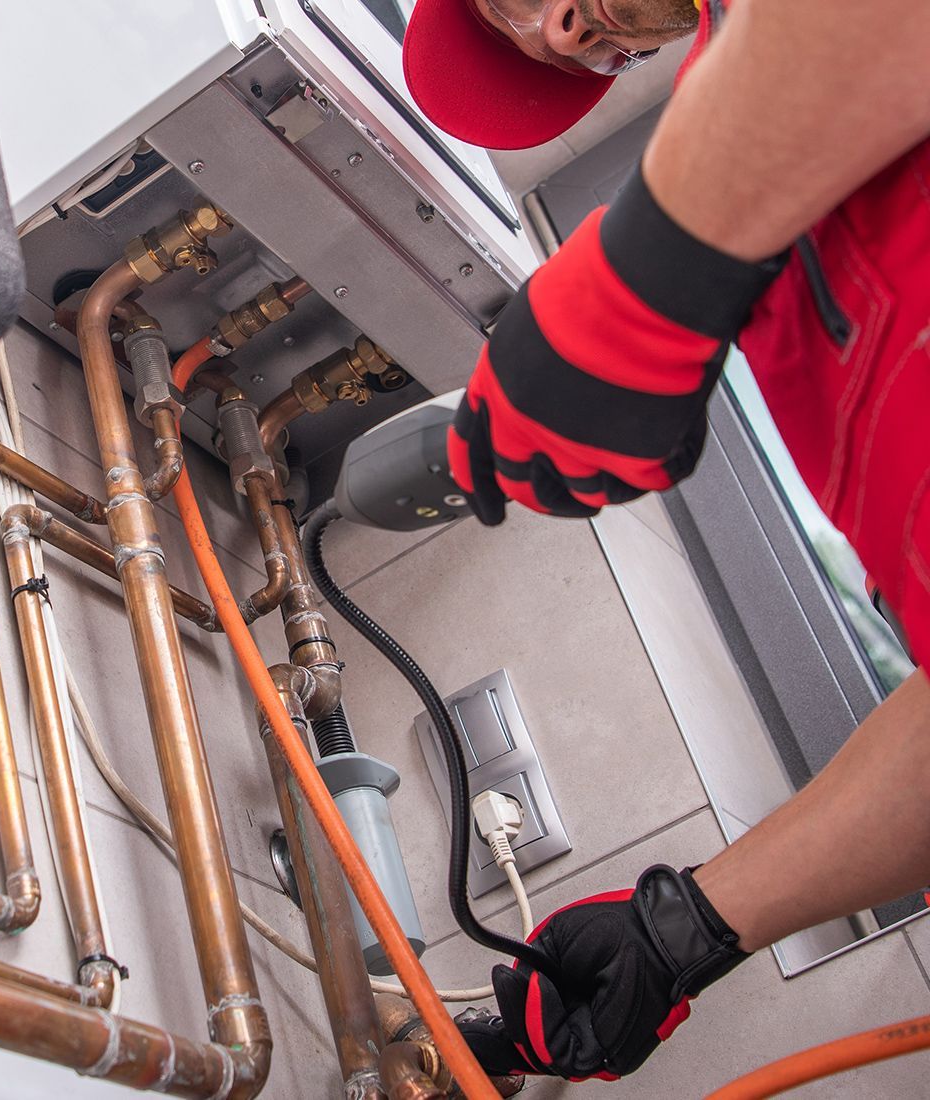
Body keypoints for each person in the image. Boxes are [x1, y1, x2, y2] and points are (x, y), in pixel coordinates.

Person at [400, 0, 930, 1081]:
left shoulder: (740, 160)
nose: (557, 31)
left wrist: (651, 271)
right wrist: (685, 928)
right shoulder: (780, 253)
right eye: (567, 51)